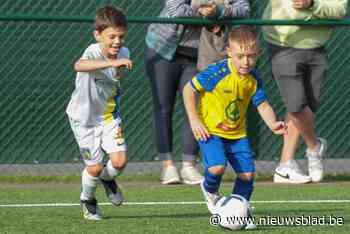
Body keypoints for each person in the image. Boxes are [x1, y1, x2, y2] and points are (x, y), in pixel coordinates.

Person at [182, 26, 287, 221]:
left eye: (251, 56)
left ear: (258, 54)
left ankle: (239, 213)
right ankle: (209, 190)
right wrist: (195, 120)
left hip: (237, 135)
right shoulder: (217, 72)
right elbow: (189, 90)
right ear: (229, 52)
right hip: (210, 131)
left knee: (247, 175)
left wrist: (273, 124)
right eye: (240, 56)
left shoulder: (253, 79)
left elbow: (263, 105)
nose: (246, 61)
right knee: (216, 168)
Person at [145, 0, 250, 185]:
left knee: (193, 108)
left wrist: (218, 10)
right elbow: (176, 9)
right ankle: (167, 166)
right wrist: (206, 13)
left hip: (200, 55)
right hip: (163, 49)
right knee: (163, 107)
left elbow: (244, 9)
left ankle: (189, 166)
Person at [262, 0, 347, 183]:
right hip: (282, 45)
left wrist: (311, 4)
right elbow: (292, 12)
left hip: (317, 47)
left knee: (306, 106)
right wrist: (320, 15)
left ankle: (285, 166)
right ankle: (314, 147)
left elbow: (339, 10)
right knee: (296, 104)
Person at [66, 6, 132, 220]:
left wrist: (118, 65)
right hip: (83, 118)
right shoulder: (92, 51)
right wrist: (112, 63)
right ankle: (88, 200)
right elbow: (79, 65)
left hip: (108, 116)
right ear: (98, 35)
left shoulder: (124, 53)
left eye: (121, 36)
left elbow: (116, 78)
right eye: (111, 36)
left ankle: (107, 179)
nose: (117, 41)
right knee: (93, 168)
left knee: (120, 162)